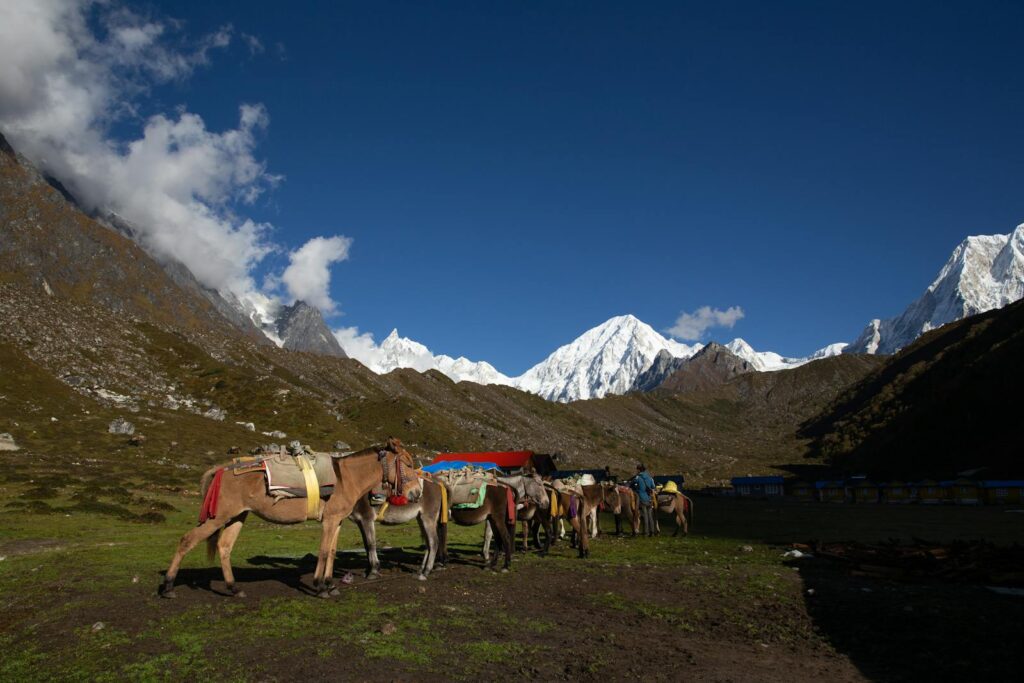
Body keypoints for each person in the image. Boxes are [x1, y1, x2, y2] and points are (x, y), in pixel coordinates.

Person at [631, 463, 657, 536]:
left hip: (642, 498)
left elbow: (632, 484)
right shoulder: (649, 477)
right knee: (650, 516)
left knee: (645, 516)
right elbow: (653, 487)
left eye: (637, 470)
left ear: (639, 470)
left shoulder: (638, 477)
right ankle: (652, 532)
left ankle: (646, 532)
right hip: (649, 499)